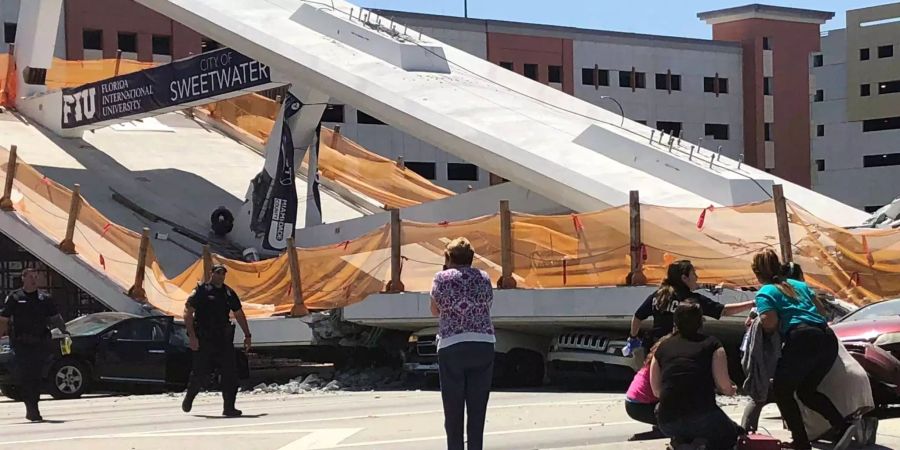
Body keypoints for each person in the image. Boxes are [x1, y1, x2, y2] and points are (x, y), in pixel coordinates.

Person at [752, 250, 858, 450]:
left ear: (757, 273)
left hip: (802, 340)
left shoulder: (765, 292)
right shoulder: (799, 285)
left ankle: (801, 442)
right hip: (826, 339)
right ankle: (842, 426)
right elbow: (822, 312)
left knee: (782, 390)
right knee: (806, 390)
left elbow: (769, 324)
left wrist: (759, 322)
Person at [430, 237, 495, 450]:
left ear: (448, 258)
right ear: (471, 258)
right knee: (477, 410)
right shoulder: (484, 277)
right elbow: (488, 305)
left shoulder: (441, 278)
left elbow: (434, 310)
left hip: (452, 345)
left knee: (453, 409)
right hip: (482, 343)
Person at [650, 302, 741, 450]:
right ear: (701, 322)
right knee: (730, 435)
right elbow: (723, 385)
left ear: (675, 322)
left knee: (687, 431)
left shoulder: (662, 347)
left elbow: (656, 390)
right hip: (702, 415)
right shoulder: (712, 344)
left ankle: (685, 444)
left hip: (667, 420)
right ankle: (700, 445)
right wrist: (732, 389)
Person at [628, 260, 754, 352]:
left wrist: (633, 337)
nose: (697, 277)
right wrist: (752, 303)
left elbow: (638, 317)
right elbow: (724, 311)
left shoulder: (658, 296)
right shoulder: (691, 300)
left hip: (656, 349)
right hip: (679, 350)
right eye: (693, 274)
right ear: (684, 278)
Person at [182, 264, 252, 417]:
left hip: (223, 340)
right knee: (200, 373)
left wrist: (247, 335)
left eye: (223, 273)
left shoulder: (228, 293)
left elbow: (239, 314)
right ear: (211, 273)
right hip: (204, 339)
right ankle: (190, 396)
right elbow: (188, 312)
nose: (221, 276)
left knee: (230, 374)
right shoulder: (201, 291)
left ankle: (229, 408)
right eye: (218, 273)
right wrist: (192, 336)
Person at [0, 268, 70, 422]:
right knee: (26, 375)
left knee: (37, 376)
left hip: (40, 343)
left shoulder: (44, 298)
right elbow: (4, 319)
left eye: (36, 277)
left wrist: (64, 333)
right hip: (21, 343)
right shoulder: (15, 297)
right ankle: (31, 408)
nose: (34, 280)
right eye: (31, 277)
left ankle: (34, 405)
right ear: (23, 278)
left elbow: (55, 319)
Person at [624, 338, 668, 441]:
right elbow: (659, 392)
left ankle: (660, 427)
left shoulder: (653, 360)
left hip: (635, 401)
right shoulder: (660, 363)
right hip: (639, 405)